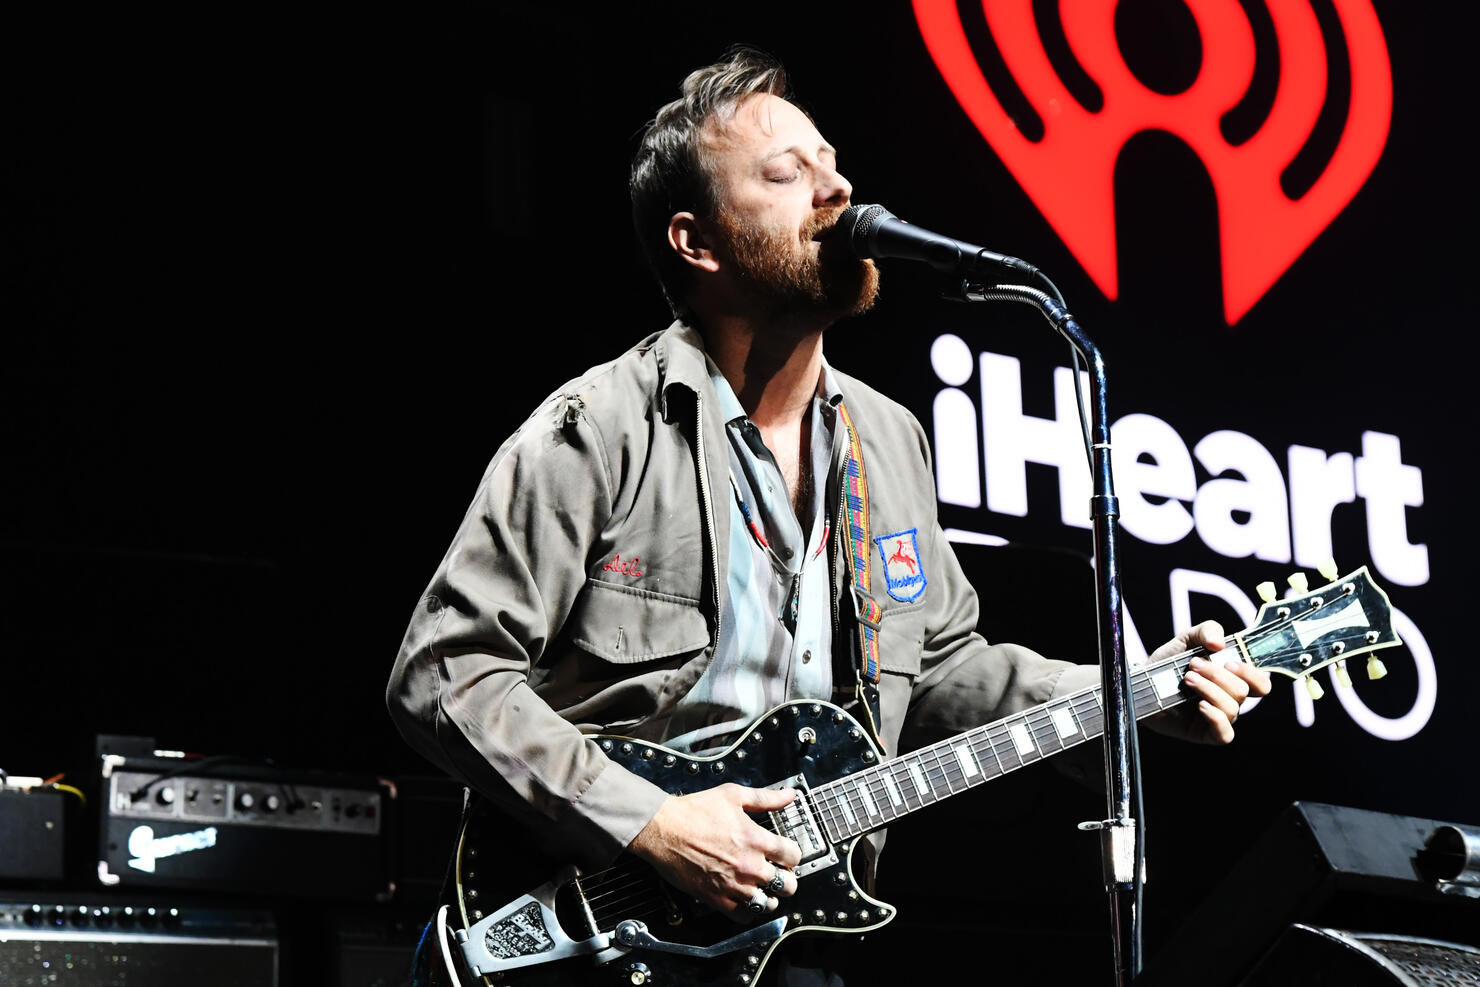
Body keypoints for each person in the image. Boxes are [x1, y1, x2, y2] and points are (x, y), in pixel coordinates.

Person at [386, 45, 1270, 985]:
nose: (835, 189)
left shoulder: (889, 442)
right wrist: (649, 819)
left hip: (787, 942)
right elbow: (446, 672)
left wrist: (1134, 694)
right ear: (698, 240)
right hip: (595, 936)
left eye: (829, 161)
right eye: (785, 172)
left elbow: (941, 669)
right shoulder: (599, 427)